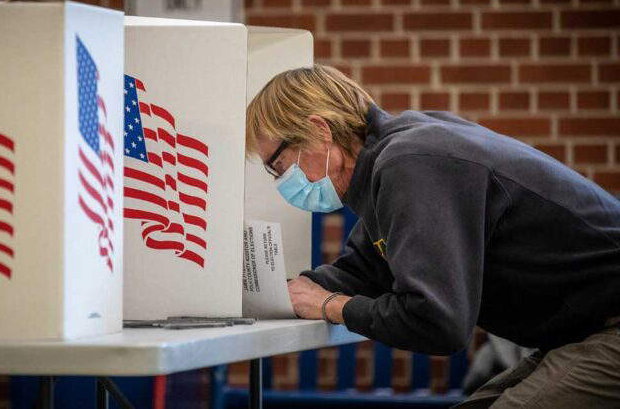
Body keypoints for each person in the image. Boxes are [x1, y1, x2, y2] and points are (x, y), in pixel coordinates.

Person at [245, 64, 620, 407]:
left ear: (319, 130)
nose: (282, 181)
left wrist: (330, 305)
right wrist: (275, 292)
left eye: (279, 165)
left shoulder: (410, 164)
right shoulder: (388, 163)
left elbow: (438, 322)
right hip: (578, 330)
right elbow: (363, 271)